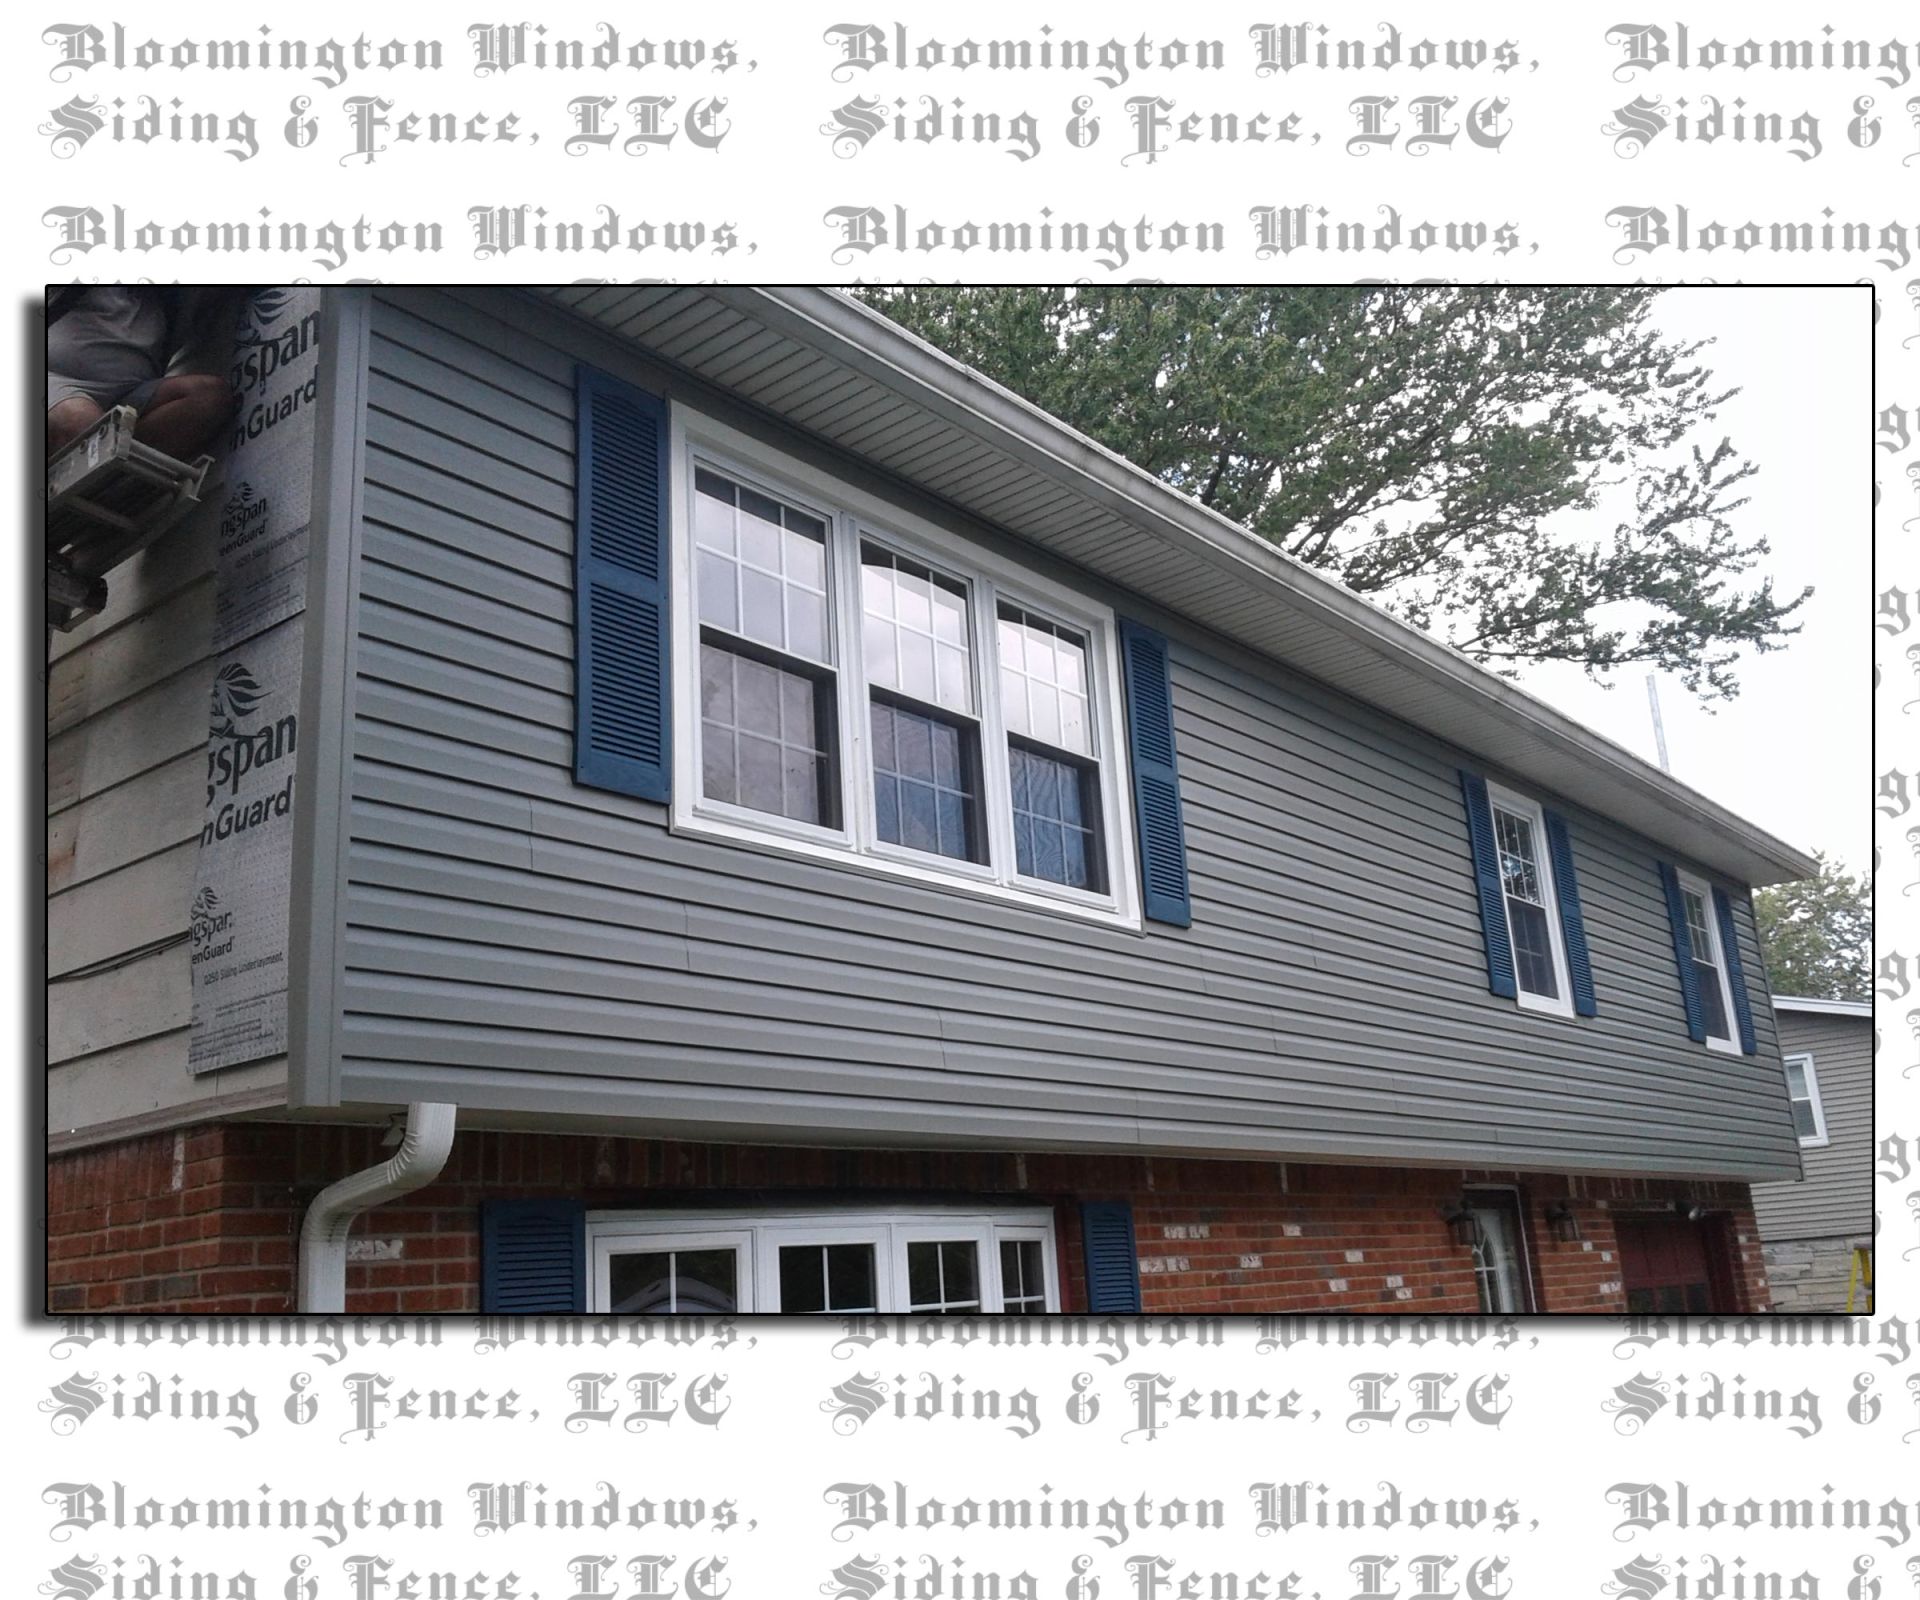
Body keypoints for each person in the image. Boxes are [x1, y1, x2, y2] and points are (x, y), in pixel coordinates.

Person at [46, 285, 237, 460]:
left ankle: (117, 473)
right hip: (58, 382)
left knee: (208, 397)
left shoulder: (174, 299)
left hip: (132, 394)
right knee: (85, 426)